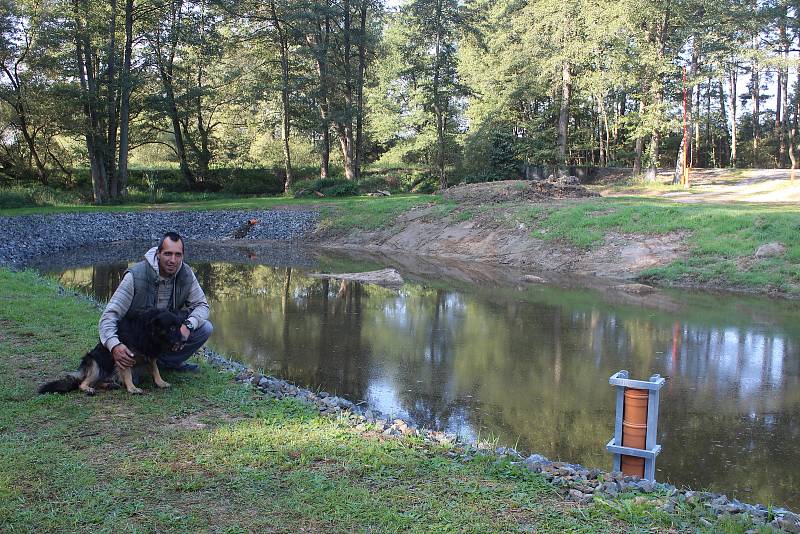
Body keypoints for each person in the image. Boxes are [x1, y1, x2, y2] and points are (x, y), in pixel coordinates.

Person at [99, 231, 212, 372]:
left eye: (178, 255)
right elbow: (109, 316)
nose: (173, 260)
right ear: (158, 253)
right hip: (136, 341)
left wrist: (188, 326)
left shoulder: (186, 273)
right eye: (167, 254)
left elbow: (202, 305)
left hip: (163, 336)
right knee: (134, 379)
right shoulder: (135, 276)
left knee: (205, 328)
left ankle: (166, 364)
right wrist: (114, 345)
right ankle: (140, 365)